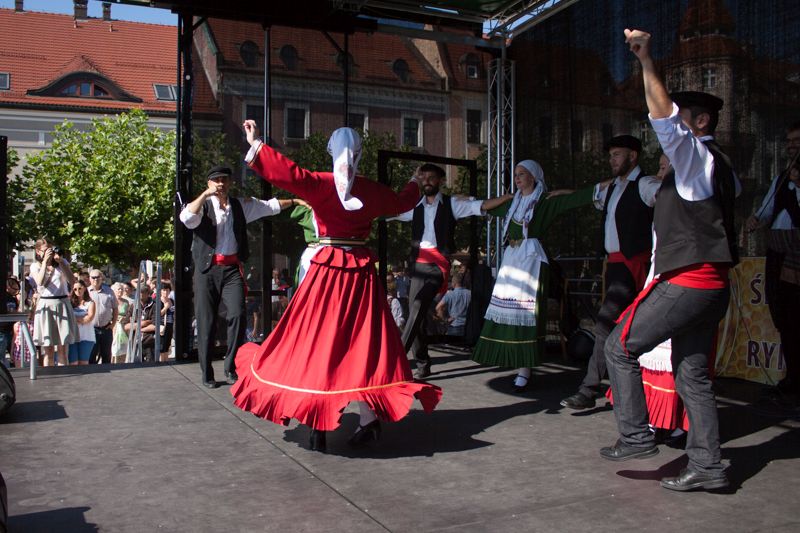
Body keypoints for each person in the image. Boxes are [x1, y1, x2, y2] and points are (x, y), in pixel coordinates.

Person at [233, 121, 442, 452]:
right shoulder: (371, 190)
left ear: (332, 152)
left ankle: (318, 420)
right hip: (360, 274)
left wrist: (256, 143)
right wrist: (415, 182)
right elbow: (401, 203)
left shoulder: (320, 183)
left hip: (327, 273)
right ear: (359, 154)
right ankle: (368, 420)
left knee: (319, 342)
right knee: (363, 344)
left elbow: (286, 173)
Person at [599, 29, 738, 493]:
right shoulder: (721, 165)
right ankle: (708, 466)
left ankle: (636, 436)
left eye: (681, 117)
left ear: (699, 122)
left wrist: (645, 60)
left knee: (618, 347)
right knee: (692, 376)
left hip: (689, 280)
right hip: (713, 285)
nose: (672, 123)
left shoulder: (696, 157)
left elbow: (664, 118)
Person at [470, 160, 598, 391]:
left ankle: (525, 369)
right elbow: (485, 207)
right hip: (512, 259)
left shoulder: (544, 201)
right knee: (507, 312)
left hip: (531, 260)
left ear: (534, 177)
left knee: (526, 313)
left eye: (522, 174)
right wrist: (500, 198)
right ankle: (512, 359)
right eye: (516, 174)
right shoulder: (513, 203)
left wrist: (563, 192)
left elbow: (577, 198)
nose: (517, 178)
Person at [560, 135, 661, 409]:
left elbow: (668, 198)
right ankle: (621, 389)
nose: (612, 160)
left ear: (633, 156)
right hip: (615, 267)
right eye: (610, 155)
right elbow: (586, 196)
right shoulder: (613, 188)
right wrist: (555, 197)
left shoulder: (645, 185)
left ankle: (589, 389)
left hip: (634, 266)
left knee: (606, 323)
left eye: (617, 154)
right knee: (622, 328)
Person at [393, 163, 513, 378]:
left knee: (418, 306)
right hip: (418, 267)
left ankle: (396, 361)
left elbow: (482, 205)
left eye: (431, 177)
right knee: (415, 315)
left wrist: (509, 197)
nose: (427, 181)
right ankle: (422, 362)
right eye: (423, 177)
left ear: (440, 181)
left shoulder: (452, 204)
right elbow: (390, 211)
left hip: (437, 266)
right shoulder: (415, 206)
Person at [179, 165, 294, 388]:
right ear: (209, 183)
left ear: (230, 182)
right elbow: (186, 218)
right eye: (216, 180)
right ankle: (207, 374)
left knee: (238, 314)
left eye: (224, 179)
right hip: (206, 270)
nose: (220, 184)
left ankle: (230, 366)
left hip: (231, 269)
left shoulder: (239, 206)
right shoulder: (203, 206)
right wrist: (204, 195)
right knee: (206, 321)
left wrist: (295, 201)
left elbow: (269, 207)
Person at [745, 121, 800, 407]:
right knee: (783, 314)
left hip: (796, 253)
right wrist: (756, 219)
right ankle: (793, 378)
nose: (792, 146)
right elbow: (768, 210)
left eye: (796, 141)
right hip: (778, 252)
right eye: (789, 141)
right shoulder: (781, 179)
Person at [30, 239, 78, 366]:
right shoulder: (35, 266)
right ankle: (49, 374)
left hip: (62, 302)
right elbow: (39, 282)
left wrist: (61, 262)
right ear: (38, 251)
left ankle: (64, 373)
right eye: (45, 250)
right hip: (46, 304)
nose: (49, 252)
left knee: (63, 349)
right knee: (49, 350)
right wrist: (45, 262)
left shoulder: (61, 263)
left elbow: (72, 281)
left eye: (50, 249)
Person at [87, 269, 117, 365]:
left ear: (102, 278)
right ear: (89, 279)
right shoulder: (86, 292)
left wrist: (113, 324)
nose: (96, 279)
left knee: (106, 354)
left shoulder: (109, 291)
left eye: (98, 277)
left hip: (106, 328)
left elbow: (115, 308)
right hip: (91, 329)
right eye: (93, 277)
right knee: (91, 355)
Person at [68, 280, 96, 366]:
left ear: (84, 289)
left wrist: (74, 319)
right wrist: (81, 319)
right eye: (75, 289)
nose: (77, 291)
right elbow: (67, 317)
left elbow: (89, 318)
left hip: (86, 337)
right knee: (73, 363)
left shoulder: (90, 303)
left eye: (80, 288)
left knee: (83, 363)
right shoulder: (69, 303)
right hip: (72, 337)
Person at [435, 272, 471, 338]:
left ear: (454, 283)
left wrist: (445, 319)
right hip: (467, 327)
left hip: (454, 326)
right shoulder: (470, 294)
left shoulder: (450, 294)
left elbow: (438, 307)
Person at [110, 282, 130, 364]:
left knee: (123, 345)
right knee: (113, 345)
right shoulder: (111, 300)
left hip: (123, 326)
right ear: (114, 290)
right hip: (114, 325)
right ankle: (112, 362)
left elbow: (128, 314)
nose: (121, 291)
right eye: (119, 289)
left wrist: (125, 318)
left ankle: (122, 362)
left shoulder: (126, 302)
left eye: (122, 289)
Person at [159, 281, 174, 362]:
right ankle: (162, 362)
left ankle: (166, 361)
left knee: (168, 344)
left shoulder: (171, 300)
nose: (165, 292)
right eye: (163, 290)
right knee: (162, 345)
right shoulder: (158, 301)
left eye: (167, 290)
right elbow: (158, 314)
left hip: (170, 325)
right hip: (162, 326)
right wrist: (165, 307)